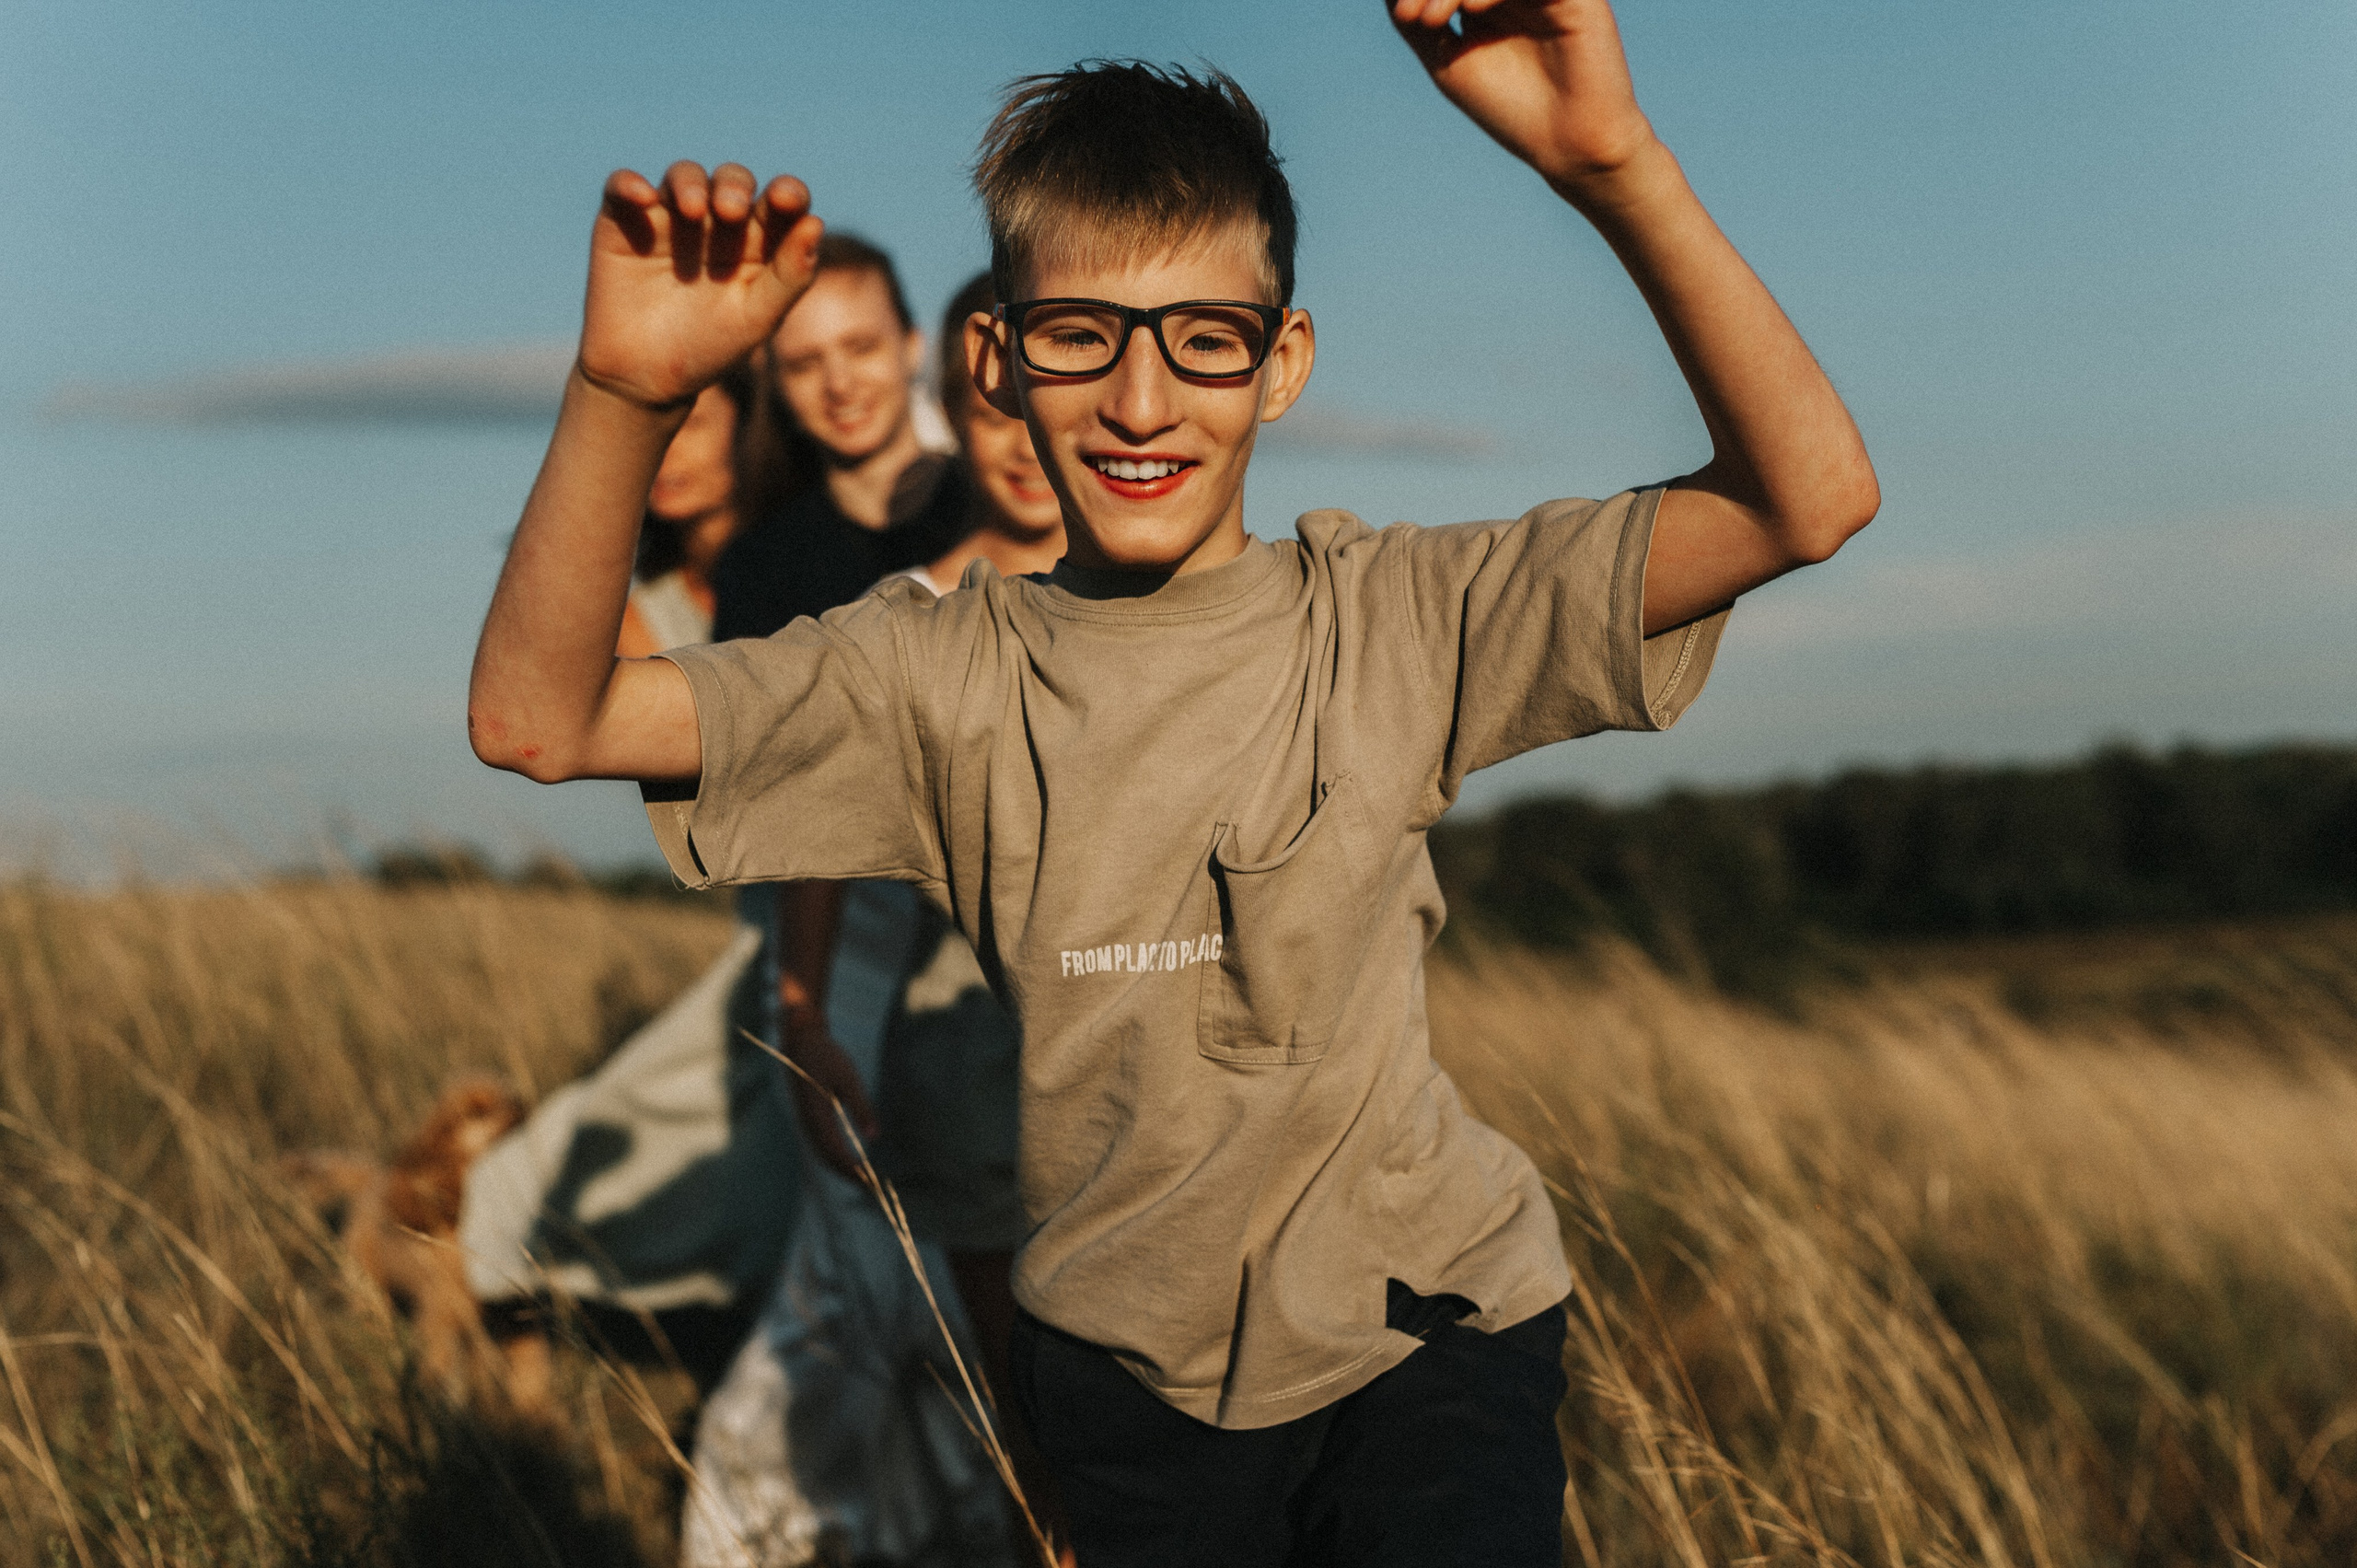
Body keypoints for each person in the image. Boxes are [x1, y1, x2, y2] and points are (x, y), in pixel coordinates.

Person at [467, 4, 1880, 1562]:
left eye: (1204, 337)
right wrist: (622, 389)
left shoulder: (1399, 620)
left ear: (1282, 366)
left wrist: (1614, 165)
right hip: (1124, 1381)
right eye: (1082, 334)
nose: (1143, 401)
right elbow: (543, 718)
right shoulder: (931, 678)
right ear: (998, 364)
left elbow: (1806, 496)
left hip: (1428, 1326)